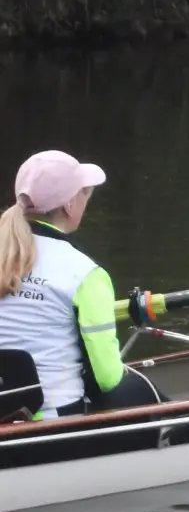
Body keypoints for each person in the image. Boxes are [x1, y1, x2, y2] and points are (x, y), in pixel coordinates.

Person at [0, 150, 166, 418]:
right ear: (69, 205)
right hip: (51, 419)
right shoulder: (85, 273)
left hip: (4, 413)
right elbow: (107, 378)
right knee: (140, 390)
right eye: (85, 193)